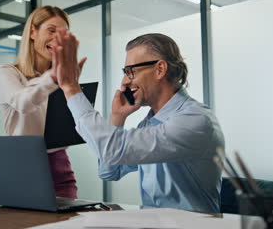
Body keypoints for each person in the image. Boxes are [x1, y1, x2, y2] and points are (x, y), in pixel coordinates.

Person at [51, 31, 225, 212]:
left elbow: (112, 151)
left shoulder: (195, 121)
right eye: (125, 72)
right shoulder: (150, 122)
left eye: (131, 71)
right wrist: (118, 117)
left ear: (160, 69)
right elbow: (110, 171)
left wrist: (71, 88)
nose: (125, 82)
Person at [0, 6, 86, 199]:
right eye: (51, 30)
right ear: (32, 32)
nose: (56, 38)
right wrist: (52, 78)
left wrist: (71, 85)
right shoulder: (9, 72)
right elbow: (22, 102)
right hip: (23, 166)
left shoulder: (61, 77)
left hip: (60, 165)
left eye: (62, 34)